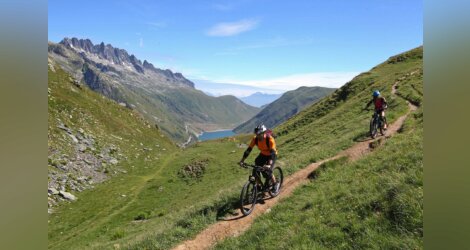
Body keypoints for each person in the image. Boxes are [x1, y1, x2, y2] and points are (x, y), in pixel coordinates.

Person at [239, 124, 280, 192]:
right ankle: (259, 186)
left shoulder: (269, 139)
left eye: (259, 134)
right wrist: (242, 160)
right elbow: (248, 150)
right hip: (263, 154)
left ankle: (275, 184)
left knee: (268, 171)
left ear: (263, 133)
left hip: (272, 155)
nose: (257, 135)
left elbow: (272, 152)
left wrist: (269, 164)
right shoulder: (255, 139)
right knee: (255, 170)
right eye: (256, 134)